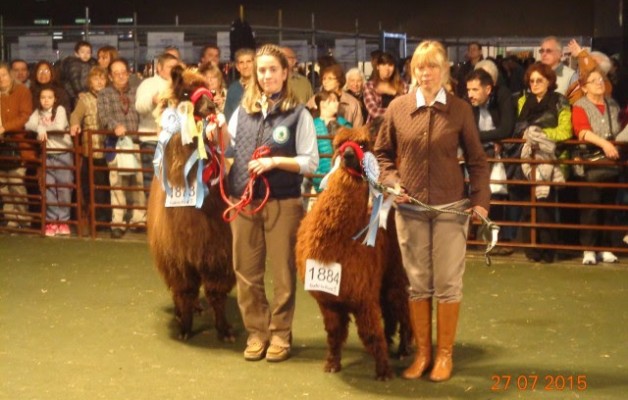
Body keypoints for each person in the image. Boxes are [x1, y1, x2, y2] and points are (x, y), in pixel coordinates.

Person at [374, 40, 490, 382]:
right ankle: (423, 353)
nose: (426, 73)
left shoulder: (459, 110)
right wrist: (392, 181)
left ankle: (444, 355)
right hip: (410, 211)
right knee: (418, 284)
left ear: (445, 70)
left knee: (448, 284)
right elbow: (381, 154)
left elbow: (477, 161)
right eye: (421, 67)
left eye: (433, 66)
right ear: (414, 71)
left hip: (451, 209)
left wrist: (480, 201)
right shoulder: (397, 108)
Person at [225, 44, 318, 363]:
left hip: (283, 201)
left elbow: (311, 162)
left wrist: (276, 161)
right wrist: (213, 134)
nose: (266, 75)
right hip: (244, 200)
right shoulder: (243, 110)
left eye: (272, 70)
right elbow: (231, 149)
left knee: (282, 273)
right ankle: (256, 332)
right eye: (261, 70)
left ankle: (280, 333)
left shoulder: (298, 113)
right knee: (246, 271)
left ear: (285, 73)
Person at [513, 62, 572, 263]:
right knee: (528, 206)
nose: (535, 84)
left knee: (545, 205)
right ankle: (532, 249)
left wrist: (540, 135)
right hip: (527, 159)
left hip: (551, 158)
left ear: (549, 81)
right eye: (532, 81)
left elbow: (566, 131)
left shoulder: (560, 100)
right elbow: (518, 128)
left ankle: (547, 250)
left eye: (540, 80)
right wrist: (529, 137)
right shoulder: (523, 101)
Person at [571, 68, 621, 265]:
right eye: (594, 81)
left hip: (612, 162)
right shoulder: (580, 106)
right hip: (590, 163)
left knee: (609, 207)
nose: (600, 83)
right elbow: (582, 131)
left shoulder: (613, 104)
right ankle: (589, 249)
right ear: (584, 87)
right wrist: (605, 144)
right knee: (590, 208)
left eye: (601, 79)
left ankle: (606, 247)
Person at [466, 67, 516, 253]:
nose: (470, 94)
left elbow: (506, 129)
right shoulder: (467, 104)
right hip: (476, 155)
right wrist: (488, 138)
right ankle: (473, 237)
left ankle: (495, 239)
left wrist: (480, 137)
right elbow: (466, 133)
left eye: (475, 90)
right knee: (472, 194)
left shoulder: (503, 96)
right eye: (468, 90)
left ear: (488, 89)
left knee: (497, 195)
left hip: (501, 156)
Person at [97, 58, 146, 239]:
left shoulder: (136, 92)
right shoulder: (104, 94)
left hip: (135, 141)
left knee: (138, 181)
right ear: (110, 76)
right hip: (116, 143)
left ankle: (139, 218)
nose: (120, 76)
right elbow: (103, 116)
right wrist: (114, 126)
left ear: (129, 73)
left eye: (123, 72)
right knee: (117, 182)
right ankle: (118, 221)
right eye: (116, 73)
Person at [25, 86, 71, 236]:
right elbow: (28, 124)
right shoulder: (37, 113)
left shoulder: (60, 110)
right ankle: (52, 221)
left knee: (64, 188)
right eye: (43, 97)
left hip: (63, 154)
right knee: (49, 189)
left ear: (55, 98)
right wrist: (40, 127)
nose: (46, 100)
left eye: (49, 97)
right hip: (47, 155)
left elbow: (59, 125)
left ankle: (63, 221)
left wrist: (43, 129)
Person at [70, 66, 111, 226]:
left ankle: (107, 217)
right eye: (96, 78)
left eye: (102, 78)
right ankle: (97, 219)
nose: (100, 82)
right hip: (91, 151)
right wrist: (74, 125)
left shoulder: (110, 96)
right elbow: (75, 115)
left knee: (108, 186)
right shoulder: (85, 99)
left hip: (109, 149)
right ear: (89, 81)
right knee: (92, 187)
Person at [135, 52, 179, 191]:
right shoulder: (148, 84)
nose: (173, 70)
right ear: (159, 68)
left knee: (172, 179)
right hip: (152, 139)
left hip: (175, 140)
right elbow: (139, 107)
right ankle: (152, 211)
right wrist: (152, 100)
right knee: (152, 179)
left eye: (175, 67)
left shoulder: (180, 85)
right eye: (169, 67)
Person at [0, 62, 34, 228]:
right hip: (2, 144)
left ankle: (24, 218)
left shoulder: (22, 91)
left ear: (10, 75)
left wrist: (5, 127)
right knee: (3, 186)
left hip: (18, 143)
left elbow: (25, 115)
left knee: (16, 182)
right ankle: (12, 218)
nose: (1, 79)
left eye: (4, 75)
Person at [310, 90, 351, 194]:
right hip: (318, 178)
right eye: (333, 101)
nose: (337, 103)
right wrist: (316, 175)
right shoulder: (311, 125)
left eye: (337, 100)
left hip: (342, 178)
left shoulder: (345, 125)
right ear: (322, 104)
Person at [363, 52, 408, 127]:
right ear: (377, 67)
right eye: (383, 65)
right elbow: (374, 112)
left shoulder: (403, 85)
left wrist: (395, 93)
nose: (387, 69)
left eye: (390, 65)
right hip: (376, 128)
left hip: (399, 127)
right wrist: (396, 112)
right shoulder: (369, 86)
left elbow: (406, 110)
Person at [59, 40, 96, 107]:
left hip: (84, 92)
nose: (85, 54)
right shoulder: (74, 64)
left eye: (88, 52)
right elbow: (74, 78)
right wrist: (79, 91)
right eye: (82, 52)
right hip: (75, 93)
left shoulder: (89, 64)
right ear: (76, 53)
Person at [224, 48, 255, 122]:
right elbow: (228, 117)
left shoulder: (262, 86)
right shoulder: (233, 89)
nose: (245, 66)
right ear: (237, 67)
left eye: (249, 61)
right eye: (241, 62)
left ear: (255, 64)